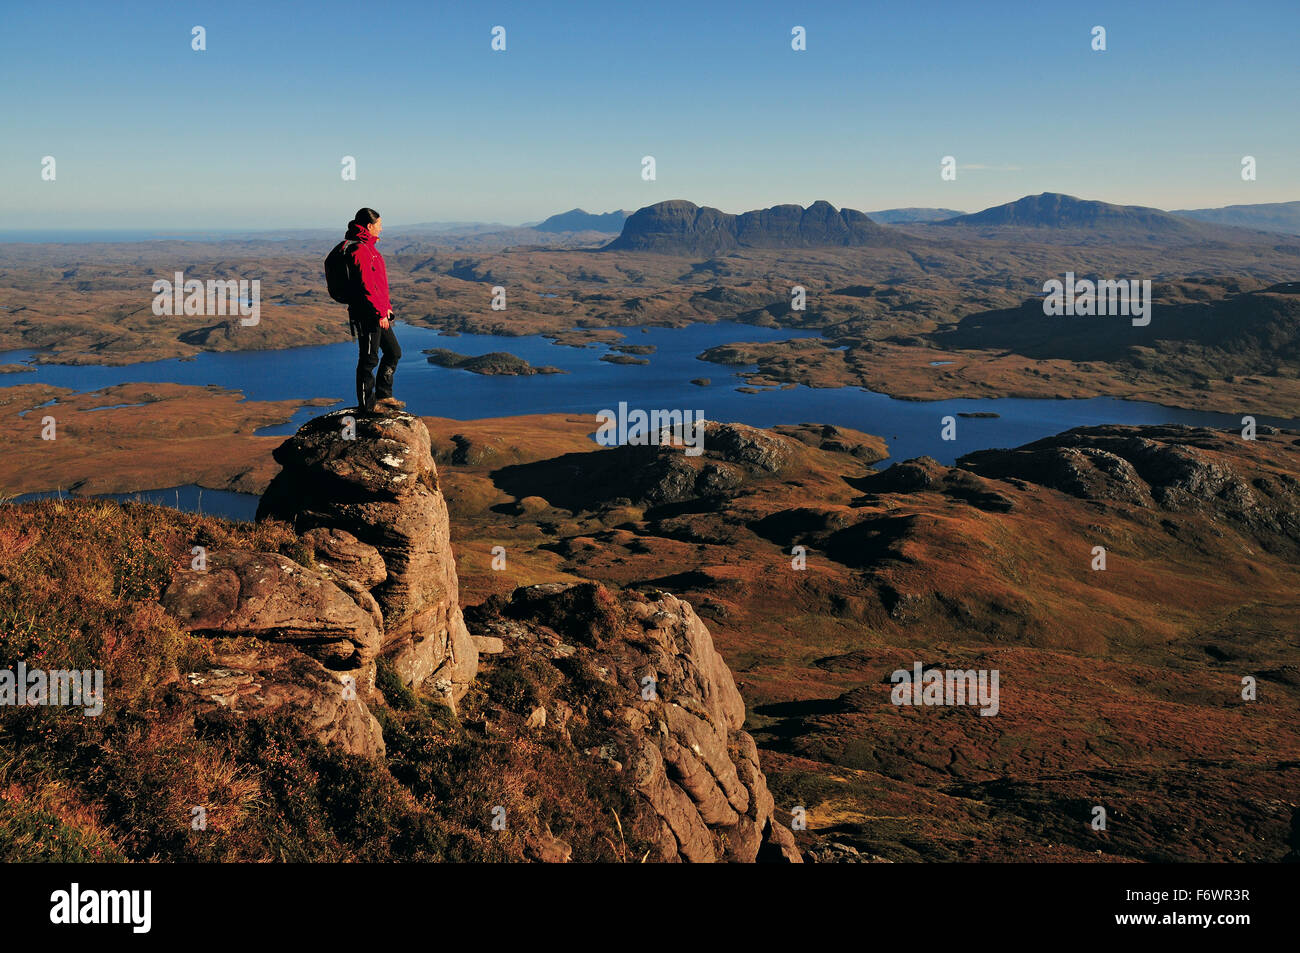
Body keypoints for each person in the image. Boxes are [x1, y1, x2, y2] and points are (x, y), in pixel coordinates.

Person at [345, 208, 403, 412]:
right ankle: (367, 406)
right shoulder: (360, 250)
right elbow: (367, 286)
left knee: (393, 352)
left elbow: (378, 285)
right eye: (379, 225)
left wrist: (386, 308)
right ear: (369, 227)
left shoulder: (370, 249)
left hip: (378, 312)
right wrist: (379, 313)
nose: (381, 228)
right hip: (367, 314)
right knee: (369, 359)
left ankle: (384, 395)